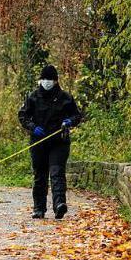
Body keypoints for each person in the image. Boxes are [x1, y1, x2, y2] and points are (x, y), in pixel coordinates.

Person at [18, 65, 81, 219]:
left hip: (59, 142)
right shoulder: (32, 97)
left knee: (57, 173)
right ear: (40, 80)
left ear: (55, 81)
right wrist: (33, 128)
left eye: (50, 79)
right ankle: (39, 208)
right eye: (44, 79)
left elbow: (77, 116)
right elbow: (23, 116)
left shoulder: (65, 98)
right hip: (38, 142)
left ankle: (59, 204)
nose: (47, 82)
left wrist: (69, 121)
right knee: (40, 175)